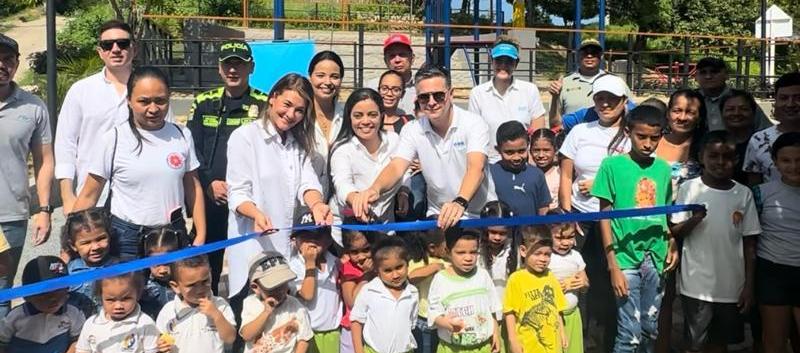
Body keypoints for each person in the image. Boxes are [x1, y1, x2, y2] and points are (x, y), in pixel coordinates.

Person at [72, 66, 205, 260]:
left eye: (160, 101)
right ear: (129, 101)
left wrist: (200, 234)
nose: (153, 109)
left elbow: (193, 187)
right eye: (144, 101)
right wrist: (70, 243)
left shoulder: (182, 135)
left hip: (172, 236)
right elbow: (89, 195)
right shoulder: (113, 139)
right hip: (126, 240)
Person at [224, 72, 332, 299]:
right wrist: (256, 214)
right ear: (273, 98)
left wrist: (317, 205)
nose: (291, 115)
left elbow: (308, 182)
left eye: (299, 110)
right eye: (287, 105)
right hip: (254, 249)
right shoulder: (245, 137)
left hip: (285, 255)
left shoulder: (297, 143)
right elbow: (238, 192)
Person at [353, 65, 496, 229]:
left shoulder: (474, 123)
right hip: (439, 215)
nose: (431, 102)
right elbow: (397, 166)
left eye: (438, 96)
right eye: (424, 97)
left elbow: (476, 167)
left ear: (451, 94)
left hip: (480, 214)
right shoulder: (412, 129)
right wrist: (374, 189)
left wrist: (460, 201)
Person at [591, 105, 678, 352]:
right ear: (628, 132)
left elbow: (665, 213)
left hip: (656, 257)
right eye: (642, 136)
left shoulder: (663, 169)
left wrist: (672, 243)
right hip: (624, 257)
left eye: (654, 137)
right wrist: (612, 264)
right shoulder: (611, 166)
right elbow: (604, 216)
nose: (648, 144)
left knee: (650, 328)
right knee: (629, 333)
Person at [186, 39, 267, 294]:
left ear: (251, 67)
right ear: (219, 68)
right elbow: (192, 148)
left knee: (252, 255)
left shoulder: (264, 103)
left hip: (249, 198)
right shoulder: (203, 102)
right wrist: (209, 182)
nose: (233, 70)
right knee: (207, 260)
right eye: (227, 64)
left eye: (239, 64)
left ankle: (250, 306)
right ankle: (205, 305)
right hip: (212, 196)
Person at [558, 72, 631, 351]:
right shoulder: (580, 131)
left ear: (623, 101)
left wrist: (600, 183)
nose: (605, 104)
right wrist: (568, 215)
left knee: (608, 279)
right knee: (578, 279)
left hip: (615, 220)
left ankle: (608, 341)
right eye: (600, 98)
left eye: (612, 98)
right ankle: (579, 340)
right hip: (581, 217)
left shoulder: (632, 136)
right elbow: (566, 176)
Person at [670, 131, 761, 353]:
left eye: (727, 156)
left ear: (736, 160)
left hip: (732, 286)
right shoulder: (689, 188)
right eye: (713, 156)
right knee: (694, 345)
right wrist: (695, 219)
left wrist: (749, 286)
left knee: (720, 344)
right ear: (701, 157)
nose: (720, 162)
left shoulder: (743, 194)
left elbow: (750, 243)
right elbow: (677, 231)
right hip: (696, 286)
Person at [55, 20, 142, 214]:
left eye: (123, 43)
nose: (115, 49)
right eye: (108, 45)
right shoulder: (81, 91)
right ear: (100, 52)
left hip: (139, 200)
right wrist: (67, 197)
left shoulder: (150, 89)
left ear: (134, 49)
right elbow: (65, 144)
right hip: (91, 199)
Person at [0, 33, 55, 318]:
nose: (2, 65)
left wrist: (44, 210)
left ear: (17, 63)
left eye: (7, 59)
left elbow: (44, 161)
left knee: (1, 291)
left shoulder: (33, 107)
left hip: (10, 217)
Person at [329, 88, 405, 230]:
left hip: (386, 229)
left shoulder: (394, 140)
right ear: (349, 118)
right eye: (358, 116)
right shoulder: (342, 150)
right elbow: (342, 184)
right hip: (348, 231)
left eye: (372, 115)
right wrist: (357, 200)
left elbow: (404, 170)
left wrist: (404, 191)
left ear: (382, 116)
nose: (365, 121)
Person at [752, 132, 800, 353]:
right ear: (775, 162)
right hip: (772, 272)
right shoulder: (761, 193)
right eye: (786, 160)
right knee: (774, 342)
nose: (794, 166)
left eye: (799, 160)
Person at [468, 36, 546, 162]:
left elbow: (538, 129)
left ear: (516, 63)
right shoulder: (478, 93)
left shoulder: (529, 90)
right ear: (491, 61)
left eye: (509, 61)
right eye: (499, 60)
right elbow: (474, 133)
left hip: (522, 161)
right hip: (491, 161)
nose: (503, 65)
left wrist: (531, 162)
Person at [428, 227, 501, 353]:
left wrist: (496, 333)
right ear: (447, 251)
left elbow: (492, 309)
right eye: (461, 252)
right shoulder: (440, 280)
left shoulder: (483, 275)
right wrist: (447, 323)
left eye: (473, 252)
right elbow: (434, 314)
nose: (468, 258)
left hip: (484, 347)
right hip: (452, 348)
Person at [0, 256, 85, 353]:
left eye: (58, 289)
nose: (52, 298)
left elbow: (78, 341)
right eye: (44, 292)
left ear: (67, 289)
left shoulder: (72, 313)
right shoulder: (16, 316)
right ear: (27, 295)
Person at [504, 225, 568, 353]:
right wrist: (513, 340)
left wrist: (562, 332)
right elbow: (509, 312)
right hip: (528, 346)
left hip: (552, 346)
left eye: (547, 254)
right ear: (523, 251)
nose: (543, 259)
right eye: (537, 254)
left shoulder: (550, 276)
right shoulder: (516, 279)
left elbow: (557, 310)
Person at [350, 237, 418, 353]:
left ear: (407, 264)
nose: (395, 275)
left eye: (399, 267)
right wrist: (359, 350)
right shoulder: (369, 290)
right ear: (377, 271)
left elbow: (410, 325)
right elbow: (356, 321)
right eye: (387, 270)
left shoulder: (412, 292)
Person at [288, 210, 343, 353]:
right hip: (306, 334)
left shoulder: (334, 261)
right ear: (295, 241)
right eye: (305, 236)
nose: (312, 240)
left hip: (332, 330)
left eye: (318, 235)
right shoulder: (293, 266)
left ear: (329, 240)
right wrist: (310, 263)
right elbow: (306, 295)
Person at [157, 255, 237, 353]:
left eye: (205, 281)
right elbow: (161, 338)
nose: (200, 290)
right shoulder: (169, 311)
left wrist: (216, 315)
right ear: (175, 286)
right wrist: (162, 346)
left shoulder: (219, 305)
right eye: (191, 285)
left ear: (210, 274)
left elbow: (230, 338)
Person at [239, 251, 314, 353]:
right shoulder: (251, 304)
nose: (280, 290)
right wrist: (266, 312)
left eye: (283, 284)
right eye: (273, 287)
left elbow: (304, 338)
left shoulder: (295, 305)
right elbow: (247, 336)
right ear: (255, 287)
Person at [377, 70, 426, 222]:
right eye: (385, 88)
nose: (389, 94)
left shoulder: (410, 122)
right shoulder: (368, 123)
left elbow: (427, 149)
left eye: (395, 89)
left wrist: (424, 164)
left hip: (407, 180)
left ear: (402, 94)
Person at [76, 272, 159, 353]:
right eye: (110, 300)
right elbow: (83, 350)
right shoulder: (91, 324)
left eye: (125, 299)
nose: (118, 306)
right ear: (101, 297)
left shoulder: (145, 324)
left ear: (138, 295)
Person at [743, 72, 800, 186]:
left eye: (798, 98)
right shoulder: (758, 140)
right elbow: (755, 186)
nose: (790, 104)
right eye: (784, 98)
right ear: (775, 101)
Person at [489, 121, 551, 216]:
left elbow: (543, 208)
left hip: (531, 225)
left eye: (521, 151)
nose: (516, 157)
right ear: (498, 150)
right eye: (509, 152)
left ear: (528, 146)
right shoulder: (490, 174)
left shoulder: (537, 174)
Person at [693, 57, 771, 132]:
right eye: (703, 72)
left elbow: (766, 130)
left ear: (727, 75)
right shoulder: (690, 99)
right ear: (695, 77)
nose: (708, 76)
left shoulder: (742, 100)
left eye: (714, 72)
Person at [549, 39, 614, 128]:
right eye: (585, 52)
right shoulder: (564, 82)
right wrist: (555, 97)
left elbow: (630, 114)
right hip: (573, 135)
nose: (589, 56)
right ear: (578, 56)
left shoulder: (614, 81)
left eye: (594, 52)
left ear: (601, 56)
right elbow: (555, 125)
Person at [61, 208, 113, 317]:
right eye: (86, 243)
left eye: (101, 239)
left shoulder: (119, 269)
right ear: (73, 245)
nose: (95, 247)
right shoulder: (68, 273)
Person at [308, 51, 346, 199]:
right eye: (320, 75)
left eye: (334, 76)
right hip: (304, 203)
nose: (328, 82)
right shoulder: (298, 115)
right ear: (310, 77)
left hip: (339, 203)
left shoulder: (348, 116)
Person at [547, 214, 587, 353]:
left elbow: (585, 284)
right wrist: (556, 287)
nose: (565, 243)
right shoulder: (546, 257)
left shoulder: (576, 256)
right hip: (551, 318)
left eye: (570, 237)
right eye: (559, 238)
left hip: (573, 315)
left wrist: (583, 283)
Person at [405, 229, 447, 353]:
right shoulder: (417, 262)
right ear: (432, 247)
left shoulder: (446, 261)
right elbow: (411, 277)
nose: (446, 247)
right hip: (425, 319)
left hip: (444, 317)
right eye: (444, 244)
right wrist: (435, 267)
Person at [139, 227, 189, 319]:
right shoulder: (143, 288)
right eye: (156, 264)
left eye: (167, 263)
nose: (162, 270)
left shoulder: (187, 283)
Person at [339, 229, 376, 353]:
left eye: (366, 249)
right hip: (352, 328)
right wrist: (366, 275)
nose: (361, 256)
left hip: (374, 326)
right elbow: (351, 302)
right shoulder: (347, 268)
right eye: (354, 252)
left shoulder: (379, 264)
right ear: (347, 251)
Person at [366, 33, 417, 114]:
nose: (397, 60)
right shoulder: (372, 87)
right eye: (392, 56)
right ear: (385, 61)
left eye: (402, 55)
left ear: (412, 58)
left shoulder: (421, 87)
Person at [478, 201, 516, 301]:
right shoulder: (476, 251)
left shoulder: (513, 250)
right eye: (493, 232)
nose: (497, 238)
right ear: (484, 229)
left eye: (502, 233)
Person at [720, 89, 759, 185]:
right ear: (721, 113)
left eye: (744, 109)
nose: (736, 113)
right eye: (730, 109)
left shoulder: (761, 144)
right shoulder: (712, 143)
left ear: (753, 112)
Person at [529, 129, 560, 210]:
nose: (541, 155)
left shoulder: (561, 174)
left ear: (555, 150)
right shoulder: (527, 175)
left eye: (546, 150)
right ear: (530, 151)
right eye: (536, 150)